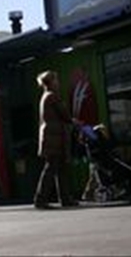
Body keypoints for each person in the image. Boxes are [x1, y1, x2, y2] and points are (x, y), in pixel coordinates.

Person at [33, 70, 78, 209]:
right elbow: (64, 114)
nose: (58, 82)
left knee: (60, 169)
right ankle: (40, 199)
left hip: (51, 137)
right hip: (54, 138)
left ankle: (65, 198)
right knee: (52, 168)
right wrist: (74, 121)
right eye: (56, 80)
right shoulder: (53, 96)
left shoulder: (45, 96)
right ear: (51, 82)